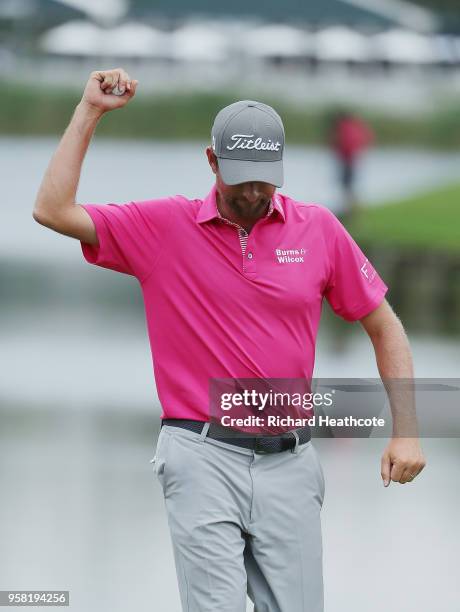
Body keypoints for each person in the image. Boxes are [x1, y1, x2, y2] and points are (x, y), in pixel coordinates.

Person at [33, 68, 426, 612]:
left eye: (265, 177)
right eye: (240, 175)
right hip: (200, 454)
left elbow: (384, 327)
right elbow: (52, 210)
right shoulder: (163, 227)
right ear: (212, 161)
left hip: (290, 460)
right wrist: (89, 112)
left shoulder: (318, 230)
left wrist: (406, 431)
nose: (253, 190)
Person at [329, 110, 373, 224]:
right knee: (348, 186)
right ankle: (350, 211)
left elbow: (342, 143)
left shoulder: (344, 127)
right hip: (352, 160)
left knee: (347, 186)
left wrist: (334, 146)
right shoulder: (355, 126)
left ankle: (351, 212)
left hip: (347, 161)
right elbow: (367, 138)